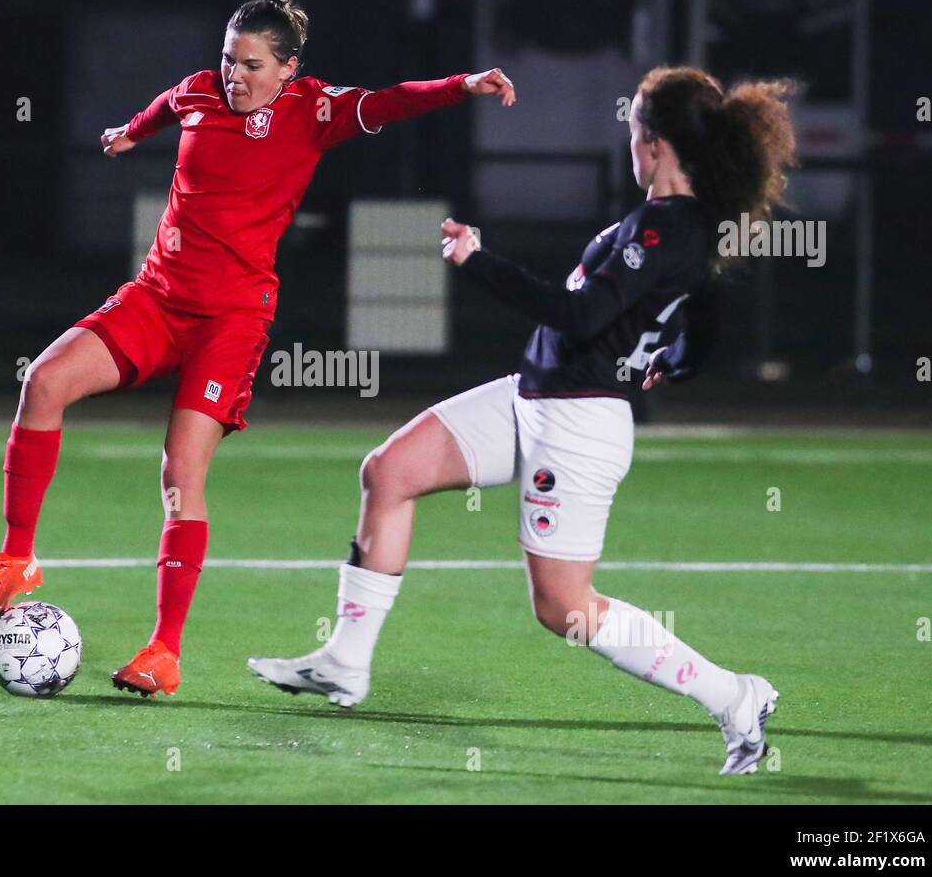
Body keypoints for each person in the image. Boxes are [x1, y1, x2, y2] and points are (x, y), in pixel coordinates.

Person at [0, 0, 517, 701]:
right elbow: (170, 103)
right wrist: (130, 134)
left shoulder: (312, 112)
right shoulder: (202, 90)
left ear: (289, 70)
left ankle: (163, 652)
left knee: (179, 476)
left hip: (232, 319)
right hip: (156, 298)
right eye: (229, 59)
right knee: (44, 381)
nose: (234, 75)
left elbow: (389, 104)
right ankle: (17, 559)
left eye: (252, 65)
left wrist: (462, 85)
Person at [249, 66, 798, 775]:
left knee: (563, 608)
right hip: (535, 397)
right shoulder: (684, 227)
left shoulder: (665, 229)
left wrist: (479, 261)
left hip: (577, 423)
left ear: (655, 145)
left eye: (634, 135)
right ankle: (345, 663)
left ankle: (736, 697)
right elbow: (709, 310)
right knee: (390, 472)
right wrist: (680, 358)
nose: (630, 148)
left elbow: (580, 314)